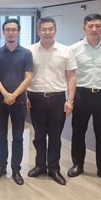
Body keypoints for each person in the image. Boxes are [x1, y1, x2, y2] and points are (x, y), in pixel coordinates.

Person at [68, 14, 101, 187]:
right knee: (78, 132)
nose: (94, 29)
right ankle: (78, 164)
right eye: (90, 26)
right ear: (84, 28)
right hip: (81, 94)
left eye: (98, 26)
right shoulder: (73, 49)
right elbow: (70, 74)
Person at [26, 17, 77, 185]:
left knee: (55, 136)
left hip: (57, 99)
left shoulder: (66, 51)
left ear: (55, 30)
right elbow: (25, 76)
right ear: (38, 31)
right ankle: (40, 166)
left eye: (50, 29)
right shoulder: (29, 51)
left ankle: (54, 168)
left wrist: (70, 100)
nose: (47, 32)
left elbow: (71, 77)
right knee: (39, 135)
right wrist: (25, 96)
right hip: (36, 98)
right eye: (44, 29)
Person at [0, 19, 34, 185]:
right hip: (1, 101)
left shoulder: (26, 54)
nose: (10, 32)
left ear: (18, 32)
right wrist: (5, 94)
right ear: (3, 32)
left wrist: (14, 95)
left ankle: (16, 169)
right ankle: (2, 166)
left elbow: (28, 77)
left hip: (19, 101)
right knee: (1, 135)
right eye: (7, 29)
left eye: (14, 29)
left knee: (18, 136)